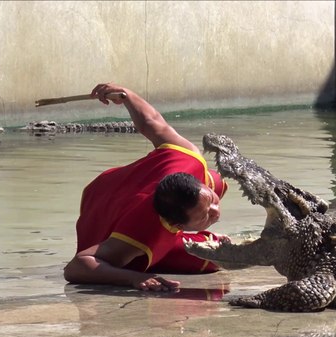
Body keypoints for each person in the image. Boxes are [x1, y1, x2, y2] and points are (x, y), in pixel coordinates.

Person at [63, 83, 229, 292]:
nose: (217, 211)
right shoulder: (144, 233)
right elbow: (75, 267)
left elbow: (152, 122)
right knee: (213, 260)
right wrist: (133, 277)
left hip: (115, 186)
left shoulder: (188, 156)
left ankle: (200, 212)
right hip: (102, 214)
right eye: (205, 215)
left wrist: (127, 96)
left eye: (212, 202)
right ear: (174, 225)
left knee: (216, 180)